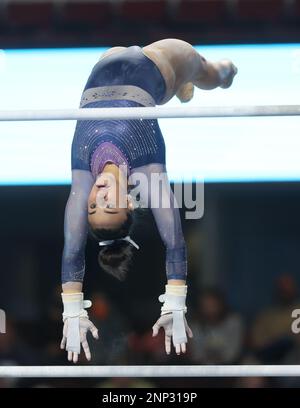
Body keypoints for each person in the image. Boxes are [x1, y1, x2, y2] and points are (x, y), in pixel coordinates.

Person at [60, 38, 238, 363]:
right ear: (129, 203)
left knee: (118, 53)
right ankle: (223, 74)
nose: (98, 196)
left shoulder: (82, 175)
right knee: (208, 72)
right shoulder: (147, 168)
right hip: (158, 66)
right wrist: (175, 301)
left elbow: (72, 247)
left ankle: (189, 88)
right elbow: (174, 240)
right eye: (110, 205)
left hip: (107, 60)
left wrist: (71, 309)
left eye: (93, 205)